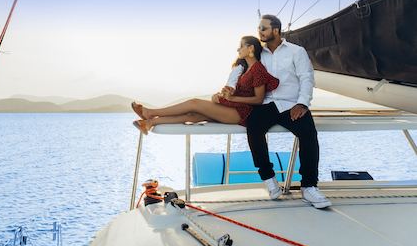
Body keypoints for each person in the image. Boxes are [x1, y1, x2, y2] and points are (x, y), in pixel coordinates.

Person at [248, 14, 331, 209]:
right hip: (266, 104)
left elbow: (306, 78)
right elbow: (243, 71)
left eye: (263, 28)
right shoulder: (258, 53)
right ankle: (269, 179)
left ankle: (309, 186)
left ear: (275, 30)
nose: (259, 32)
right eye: (259, 28)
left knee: (309, 133)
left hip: (291, 104)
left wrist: (302, 104)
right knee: (253, 127)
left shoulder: (296, 51)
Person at [130, 36, 279, 134]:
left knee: (194, 103)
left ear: (251, 48)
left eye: (241, 46)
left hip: (244, 114)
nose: (238, 49)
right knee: (192, 116)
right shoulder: (244, 70)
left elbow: (258, 100)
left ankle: (150, 112)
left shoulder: (258, 69)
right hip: (234, 108)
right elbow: (238, 93)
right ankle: (149, 123)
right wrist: (225, 95)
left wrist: (232, 99)